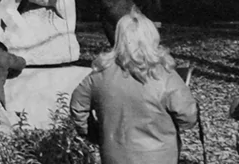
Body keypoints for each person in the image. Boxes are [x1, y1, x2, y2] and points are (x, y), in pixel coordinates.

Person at [70, 12, 198, 164]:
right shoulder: (166, 76)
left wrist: (95, 133)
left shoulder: (100, 74)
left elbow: (78, 107)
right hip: (159, 156)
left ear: (120, 38)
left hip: (114, 155)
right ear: (152, 37)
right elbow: (188, 117)